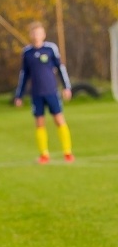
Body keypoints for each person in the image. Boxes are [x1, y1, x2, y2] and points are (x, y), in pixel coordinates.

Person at [14, 21, 74, 164]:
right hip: (36, 93)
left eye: (39, 32)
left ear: (44, 34)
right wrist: (19, 95)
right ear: (30, 35)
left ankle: (68, 153)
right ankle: (44, 155)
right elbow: (24, 75)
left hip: (51, 91)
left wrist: (66, 87)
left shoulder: (51, 49)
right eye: (34, 33)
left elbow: (60, 68)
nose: (36, 35)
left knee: (59, 120)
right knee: (39, 123)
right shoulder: (27, 53)